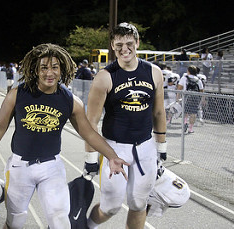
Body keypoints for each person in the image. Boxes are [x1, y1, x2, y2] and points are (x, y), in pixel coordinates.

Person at [0, 43, 129, 229]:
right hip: (20, 166)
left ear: (62, 69)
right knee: (15, 220)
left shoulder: (71, 101)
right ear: (35, 69)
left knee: (60, 221)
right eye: (44, 67)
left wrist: (112, 156)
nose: (49, 73)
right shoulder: (17, 94)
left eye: (54, 67)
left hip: (51, 167)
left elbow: (89, 134)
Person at [84, 22, 167, 229]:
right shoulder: (104, 77)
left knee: (139, 203)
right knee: (110, 207)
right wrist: (91, 158)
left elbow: (158, 112)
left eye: (129, 43)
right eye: (119, 44)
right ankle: (87, 226)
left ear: (137, 43)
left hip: (145, 147)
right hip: (114, 148)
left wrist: (162, 147)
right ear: (113, 45)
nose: (124, 49)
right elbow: (91, 122)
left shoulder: (154, 72)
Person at [177, 65, 204, 133]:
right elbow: (201, 91)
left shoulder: (184, 78)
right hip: (195, 98)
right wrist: (202, 100)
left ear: (188, 71)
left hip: (186, 97)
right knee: (193, 113)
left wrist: (178, 97)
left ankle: (185, 122)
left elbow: (179, 88)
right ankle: (190, 128)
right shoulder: (198, 80)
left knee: (185, 111)